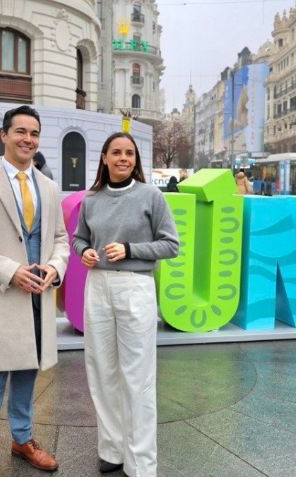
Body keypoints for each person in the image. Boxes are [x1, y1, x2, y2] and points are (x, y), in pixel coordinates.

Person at [0, 105, 70, 477]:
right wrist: (11, 270)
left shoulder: (49, 186)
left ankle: (22, 440)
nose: (28, 139)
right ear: (3, 135)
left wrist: (55, 267)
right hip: (2, 293)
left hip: (39, 295)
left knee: (27, 372)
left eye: (34, 133)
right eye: (21, 131)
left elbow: (60, 239)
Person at [72, 132, 179, 477]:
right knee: (102, 371)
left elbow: (170, 245)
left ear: (136, 160)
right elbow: (79, 237)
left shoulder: (151, 196)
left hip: (135, 286)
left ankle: (141, 462)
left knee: (138, 377)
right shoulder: (91, 200)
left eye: (129, 153)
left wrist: (131, 250)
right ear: (104, 157)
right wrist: (83, 251)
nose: (123, 158)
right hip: (98, 285)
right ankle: (112, 449)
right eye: (116, 152)